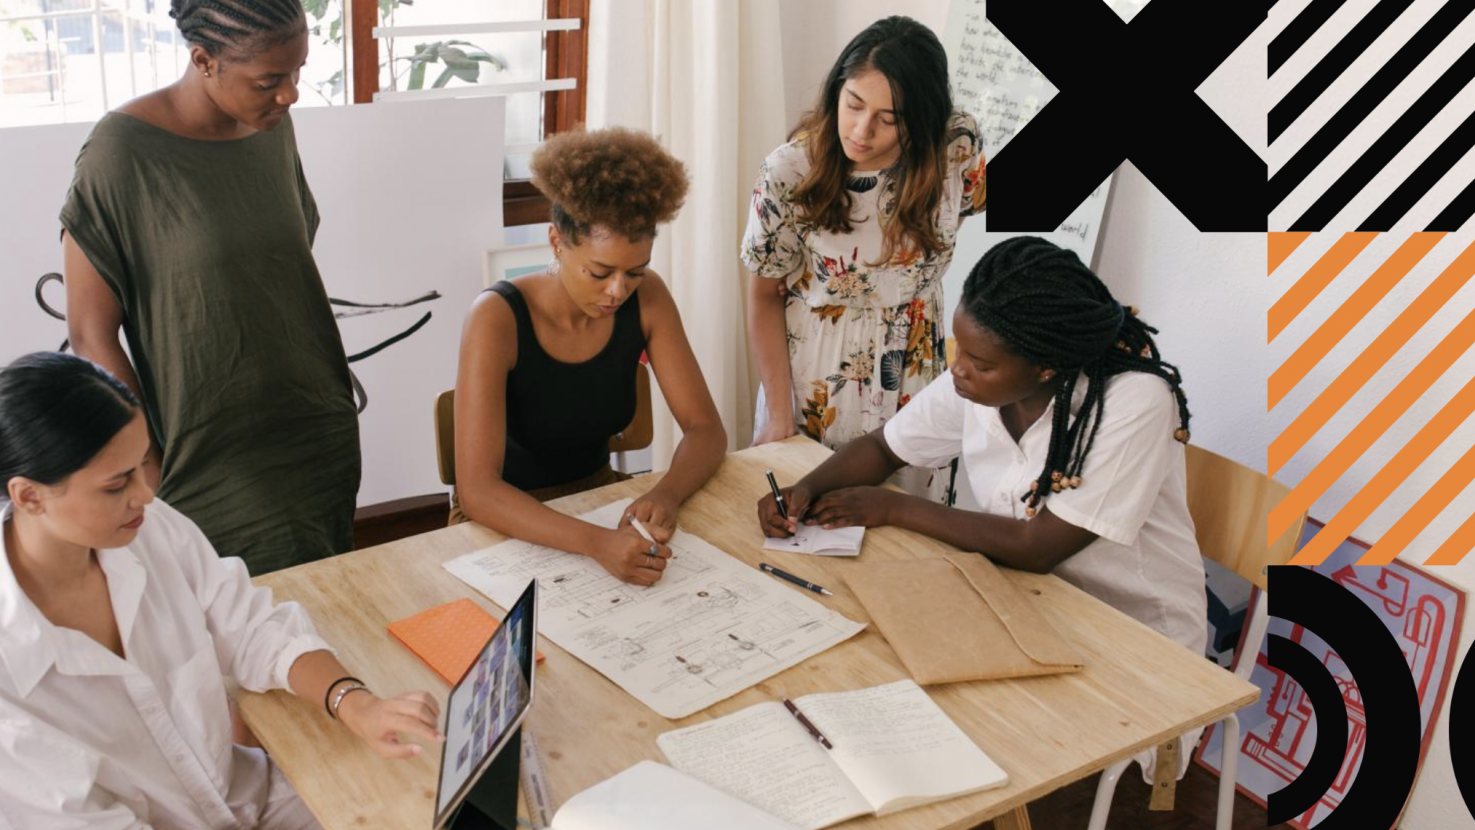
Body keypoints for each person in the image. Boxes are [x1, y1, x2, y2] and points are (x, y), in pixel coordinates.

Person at [758, 236, 1207, 779]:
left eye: (980, 362)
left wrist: (894, 509)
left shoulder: (1132, 403)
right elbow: (882, 448)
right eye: (959, 351)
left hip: (1129, 632)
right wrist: (802, 490)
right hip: (1024, 601)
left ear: (1044, 368)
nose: (960, 370)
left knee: (947, 730)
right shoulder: (979, 384)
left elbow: (1037, 546)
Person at [0, 352, 441, 829]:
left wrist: (356, 703)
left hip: (254, 800)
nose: (146, 493)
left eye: (142, 463)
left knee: (430, 797)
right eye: (116, 484)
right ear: (28, 496)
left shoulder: (145, 528)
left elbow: (250, 627)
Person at [61, 0, 359, 574]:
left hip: (313, 426)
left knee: (325, 611)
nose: (290, 93)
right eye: (270, 80)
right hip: (205, 451)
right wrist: (145, 459)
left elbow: (273, 269)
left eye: (298, 72)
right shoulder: (121, 153)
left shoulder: (272, 126)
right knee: (232, 632)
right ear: (204, 60)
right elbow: (90, 331)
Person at [452, 127, 727, 587]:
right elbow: (478, 492)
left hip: (598, 502)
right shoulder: (496, 317)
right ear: (557, 242)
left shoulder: (648, 299)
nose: (617, 291)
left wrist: (667, 493)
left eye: (634, 272)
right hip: (504, 522)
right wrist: (597, 543)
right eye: (600, 272)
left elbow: (706, 429)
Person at [744, 15, 987, 500]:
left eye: (888, 118)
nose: (860, 129)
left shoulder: (955, 146)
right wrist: (778, 413)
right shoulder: (791, 171)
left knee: (912, 537)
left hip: (918, 374)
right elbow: (763, 294)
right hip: (820, 378)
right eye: (852, 104)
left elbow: (970, 203)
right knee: (809, 524)